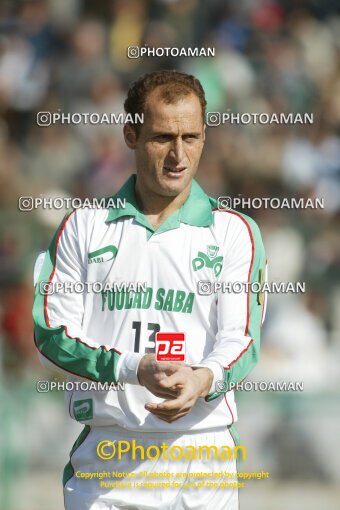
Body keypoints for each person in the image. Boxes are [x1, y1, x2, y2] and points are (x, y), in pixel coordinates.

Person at [33, 70, 266, 510]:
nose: (179, 155)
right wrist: (132, 368)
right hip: (108, 459)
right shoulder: (83, 226)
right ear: (131, 135)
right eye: (162, 138)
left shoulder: (235, 232)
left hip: (201, 457)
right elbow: (51, 334)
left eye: (192, 137)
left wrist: (202, 379)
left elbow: (242, 340)